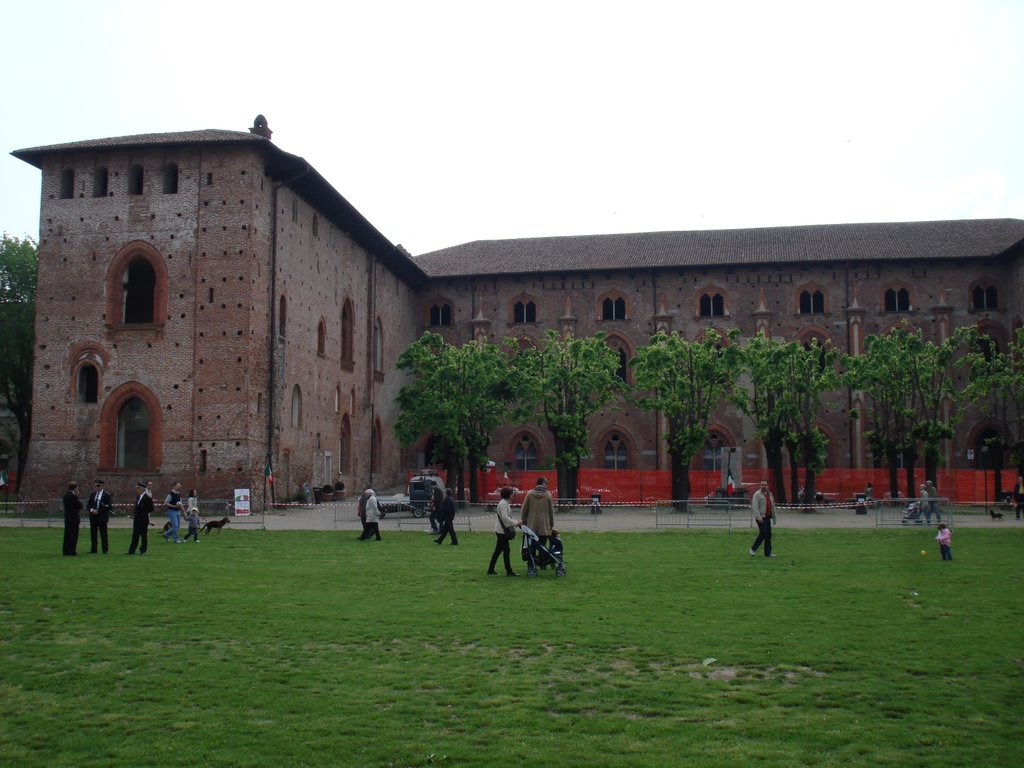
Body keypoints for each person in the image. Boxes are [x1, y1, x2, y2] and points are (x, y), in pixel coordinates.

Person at [519, 477, 554, 562]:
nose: (547, 485)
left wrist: (523, 519)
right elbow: (551, 511)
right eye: (546, 483)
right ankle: (542, 561)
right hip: (544, 525)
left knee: (532, 545)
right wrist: (551, 523)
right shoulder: (548, 495)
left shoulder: (529, 494)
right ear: (542, 483)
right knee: (542, 544)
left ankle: (532, 562)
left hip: (531, 524)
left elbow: (524, 508)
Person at [487, 486, 518, 576]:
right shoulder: (503, 504)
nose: (512, 495)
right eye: (511, 494)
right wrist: (515, 523)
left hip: (501, 530)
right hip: (502, 531)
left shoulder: (505, 503)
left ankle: (491, 570)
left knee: (498, 551)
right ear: (508, 495)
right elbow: (505, 517)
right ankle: (509, 571)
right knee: (506, 551)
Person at [749, 480, 777, 557]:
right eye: (762, 485)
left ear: (767, 486)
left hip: (768, 517)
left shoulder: (770, 495)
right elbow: (755, 507)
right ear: (760, 486)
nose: (763, 486)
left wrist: (774, 518)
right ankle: (753, 549)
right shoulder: (757, 495)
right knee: (763, 533)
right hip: (761, 517)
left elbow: (773, 507)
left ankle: (768, 553)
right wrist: (758, 517)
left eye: (765, 485)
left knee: (768, 535)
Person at [86, 479, 113, 554]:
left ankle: (105, 549)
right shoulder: (93, 495)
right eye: (96, 486)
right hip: (93, 516)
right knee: (93, 533)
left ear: (102, 486)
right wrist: (92, 510)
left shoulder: (106, 495)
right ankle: (93, 549)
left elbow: (109, 506)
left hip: (102, 517)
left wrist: (100, 510)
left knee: (103, 533)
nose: (97, 487)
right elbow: (88, 505)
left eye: (99, 486)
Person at [127, 481, 154, 555]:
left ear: (142, 489)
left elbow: (151, 508)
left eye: (138, 488)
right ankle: (131, 550)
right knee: (135, 535)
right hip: (137, 519)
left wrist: (144, 512)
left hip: (143, 519)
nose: (137, 490)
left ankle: (143, 550)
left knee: (143, 535)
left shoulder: (147, 498)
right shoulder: (138, 497)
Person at [62, 481, 83, 556]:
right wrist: (77, 496)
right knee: (73, 535)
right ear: (75, 488)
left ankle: (65, 550)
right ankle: (72, 550)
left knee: (67, 534)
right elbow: (80, 506)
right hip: (74, 518)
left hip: (67, 518)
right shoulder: (74, 496)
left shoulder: (65, 496)